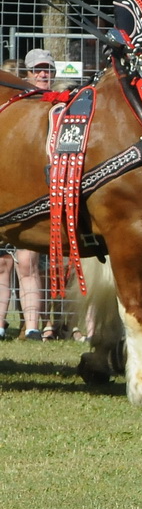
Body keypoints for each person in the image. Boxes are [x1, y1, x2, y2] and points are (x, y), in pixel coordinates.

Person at [0, 51, 55, 339]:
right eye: (37, 70)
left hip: (37, 201)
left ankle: (35, 325)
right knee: (3, 265)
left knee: (28, 262)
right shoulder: (14, 109)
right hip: (11, 195)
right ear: (28, 75)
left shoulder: (60, 105)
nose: (43, 75)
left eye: (47, 70)